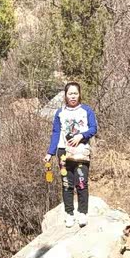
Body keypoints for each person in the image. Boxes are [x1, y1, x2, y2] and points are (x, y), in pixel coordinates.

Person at [44, 82, 98, 228]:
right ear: (65, 95)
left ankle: (82, 212)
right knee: (67, 184)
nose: (73, 96)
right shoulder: (60, 112)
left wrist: (81, 136)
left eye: (75, 93)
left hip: (81, 151)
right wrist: (50, 152)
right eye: (70, 94)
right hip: (63, 152)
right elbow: (56, 133)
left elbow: (94, 128)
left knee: (81, 182)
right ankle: (69, 213)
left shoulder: (86, 110)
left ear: (79, 94)